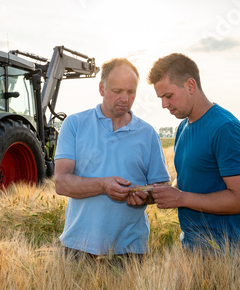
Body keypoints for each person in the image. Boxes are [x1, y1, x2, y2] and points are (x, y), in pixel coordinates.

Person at [54, 58, 170, 259]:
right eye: (117, 91)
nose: (125, 98)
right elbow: (61, 183)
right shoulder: (74, 125)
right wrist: (103, 185)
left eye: (131, 92)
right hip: (78, 246)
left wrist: (145, 196)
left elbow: (161, 188)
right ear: (101, 88)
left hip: (130, 251)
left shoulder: (148, 134)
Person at [147, 53, 240, 254]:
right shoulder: (182, 128)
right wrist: (155, 193)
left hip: (226, 254)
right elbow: (189, 181)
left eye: (168, 96)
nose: (164, 105)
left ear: (190, 86)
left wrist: (181, 199)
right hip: (190, 248)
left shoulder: (225, 128)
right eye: (161, 98)